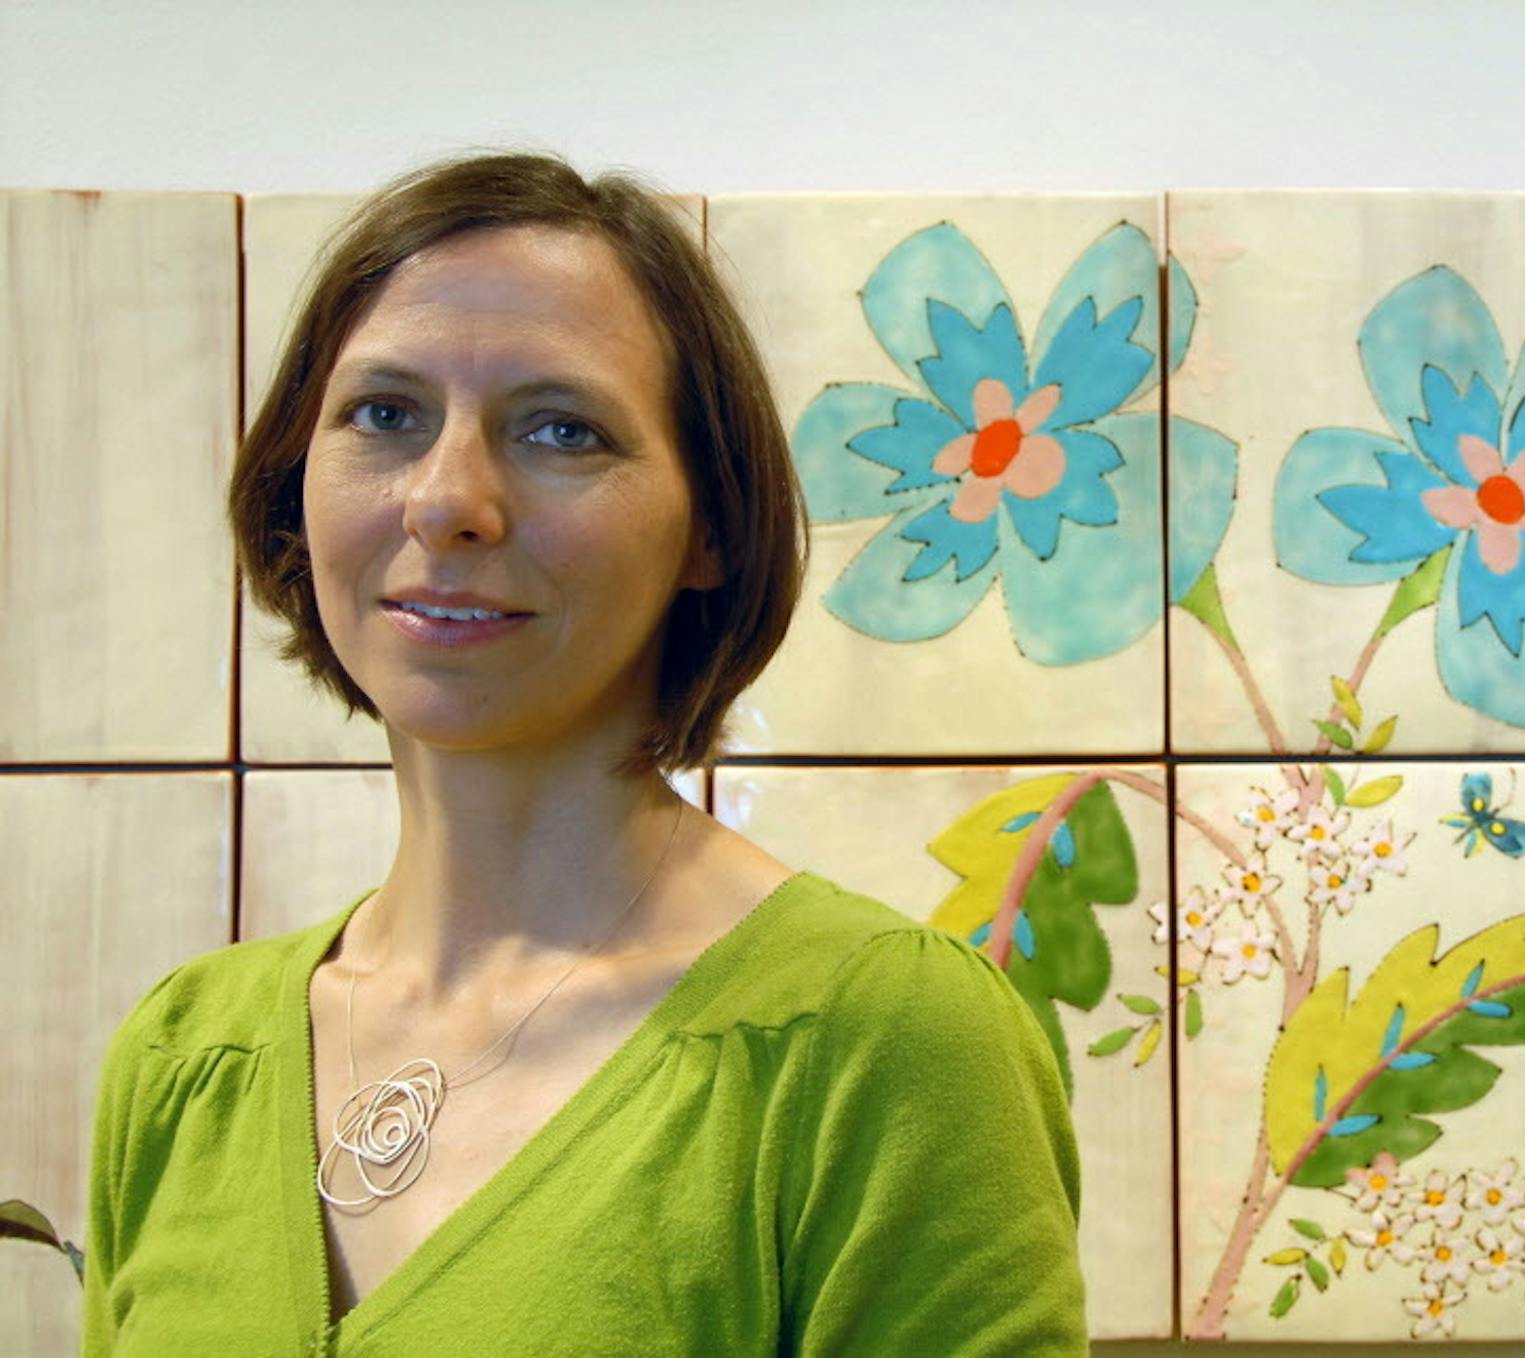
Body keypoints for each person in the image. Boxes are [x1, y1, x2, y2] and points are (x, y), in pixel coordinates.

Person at [78, 149, 1088, 1355]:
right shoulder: (186, 1056)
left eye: (562, 429)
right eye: (384, 414)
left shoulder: (883, 1043)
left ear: (710, 524)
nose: (448, 500)